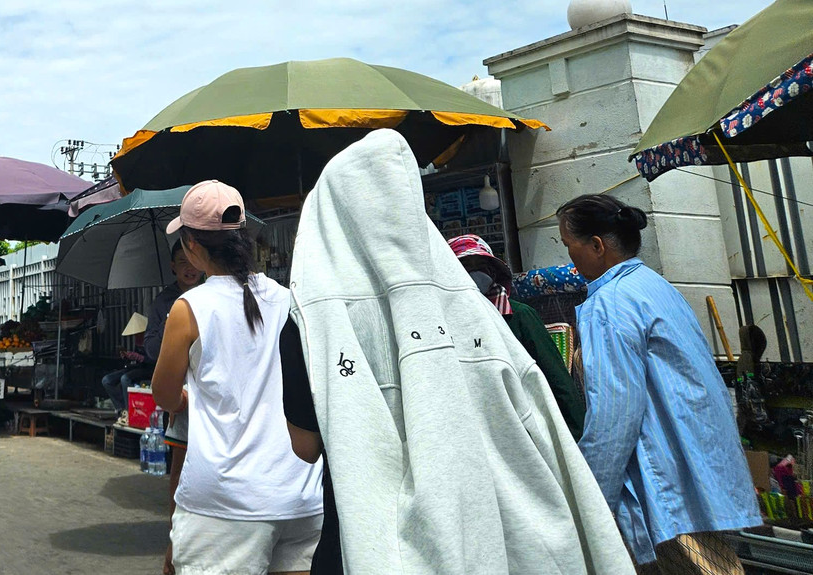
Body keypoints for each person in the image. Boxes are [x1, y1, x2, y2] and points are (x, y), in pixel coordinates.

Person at [282, 131, 633, 575]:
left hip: (362, 543)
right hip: (487, 536)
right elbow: (541, 418)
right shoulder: (473, 310)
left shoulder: (311, 322)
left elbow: (305, 447)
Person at [560, 193, 761, 573]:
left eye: (570, 247)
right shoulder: (653, 284)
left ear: (598, 246)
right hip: (692, 462)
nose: (570, 260)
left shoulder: (611, 302)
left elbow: (614, 413)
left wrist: (591, 495)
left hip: (661, 478)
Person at [152, 180, 323, 575]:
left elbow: (163, 394)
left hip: (227, 506)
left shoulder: (189, 308)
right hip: (300, 495)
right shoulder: (288, 298)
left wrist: (183, 400)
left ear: (192, 246)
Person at [447, 234, 586, 438]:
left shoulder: (518, 315)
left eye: (482, 265)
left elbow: (556, 379)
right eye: (466, 266)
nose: (475, 273)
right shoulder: (443, 323)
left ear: (494, 272)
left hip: (523, 426)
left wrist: (576, 435)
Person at [102, 243, 203, 423]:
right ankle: (127, 413)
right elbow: (151, 350)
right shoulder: (163, 301)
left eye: (194, 261)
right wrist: (169, 323)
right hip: (177, 383)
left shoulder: (210, 294)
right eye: (182, 262)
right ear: (173, 266)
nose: (190, 268)